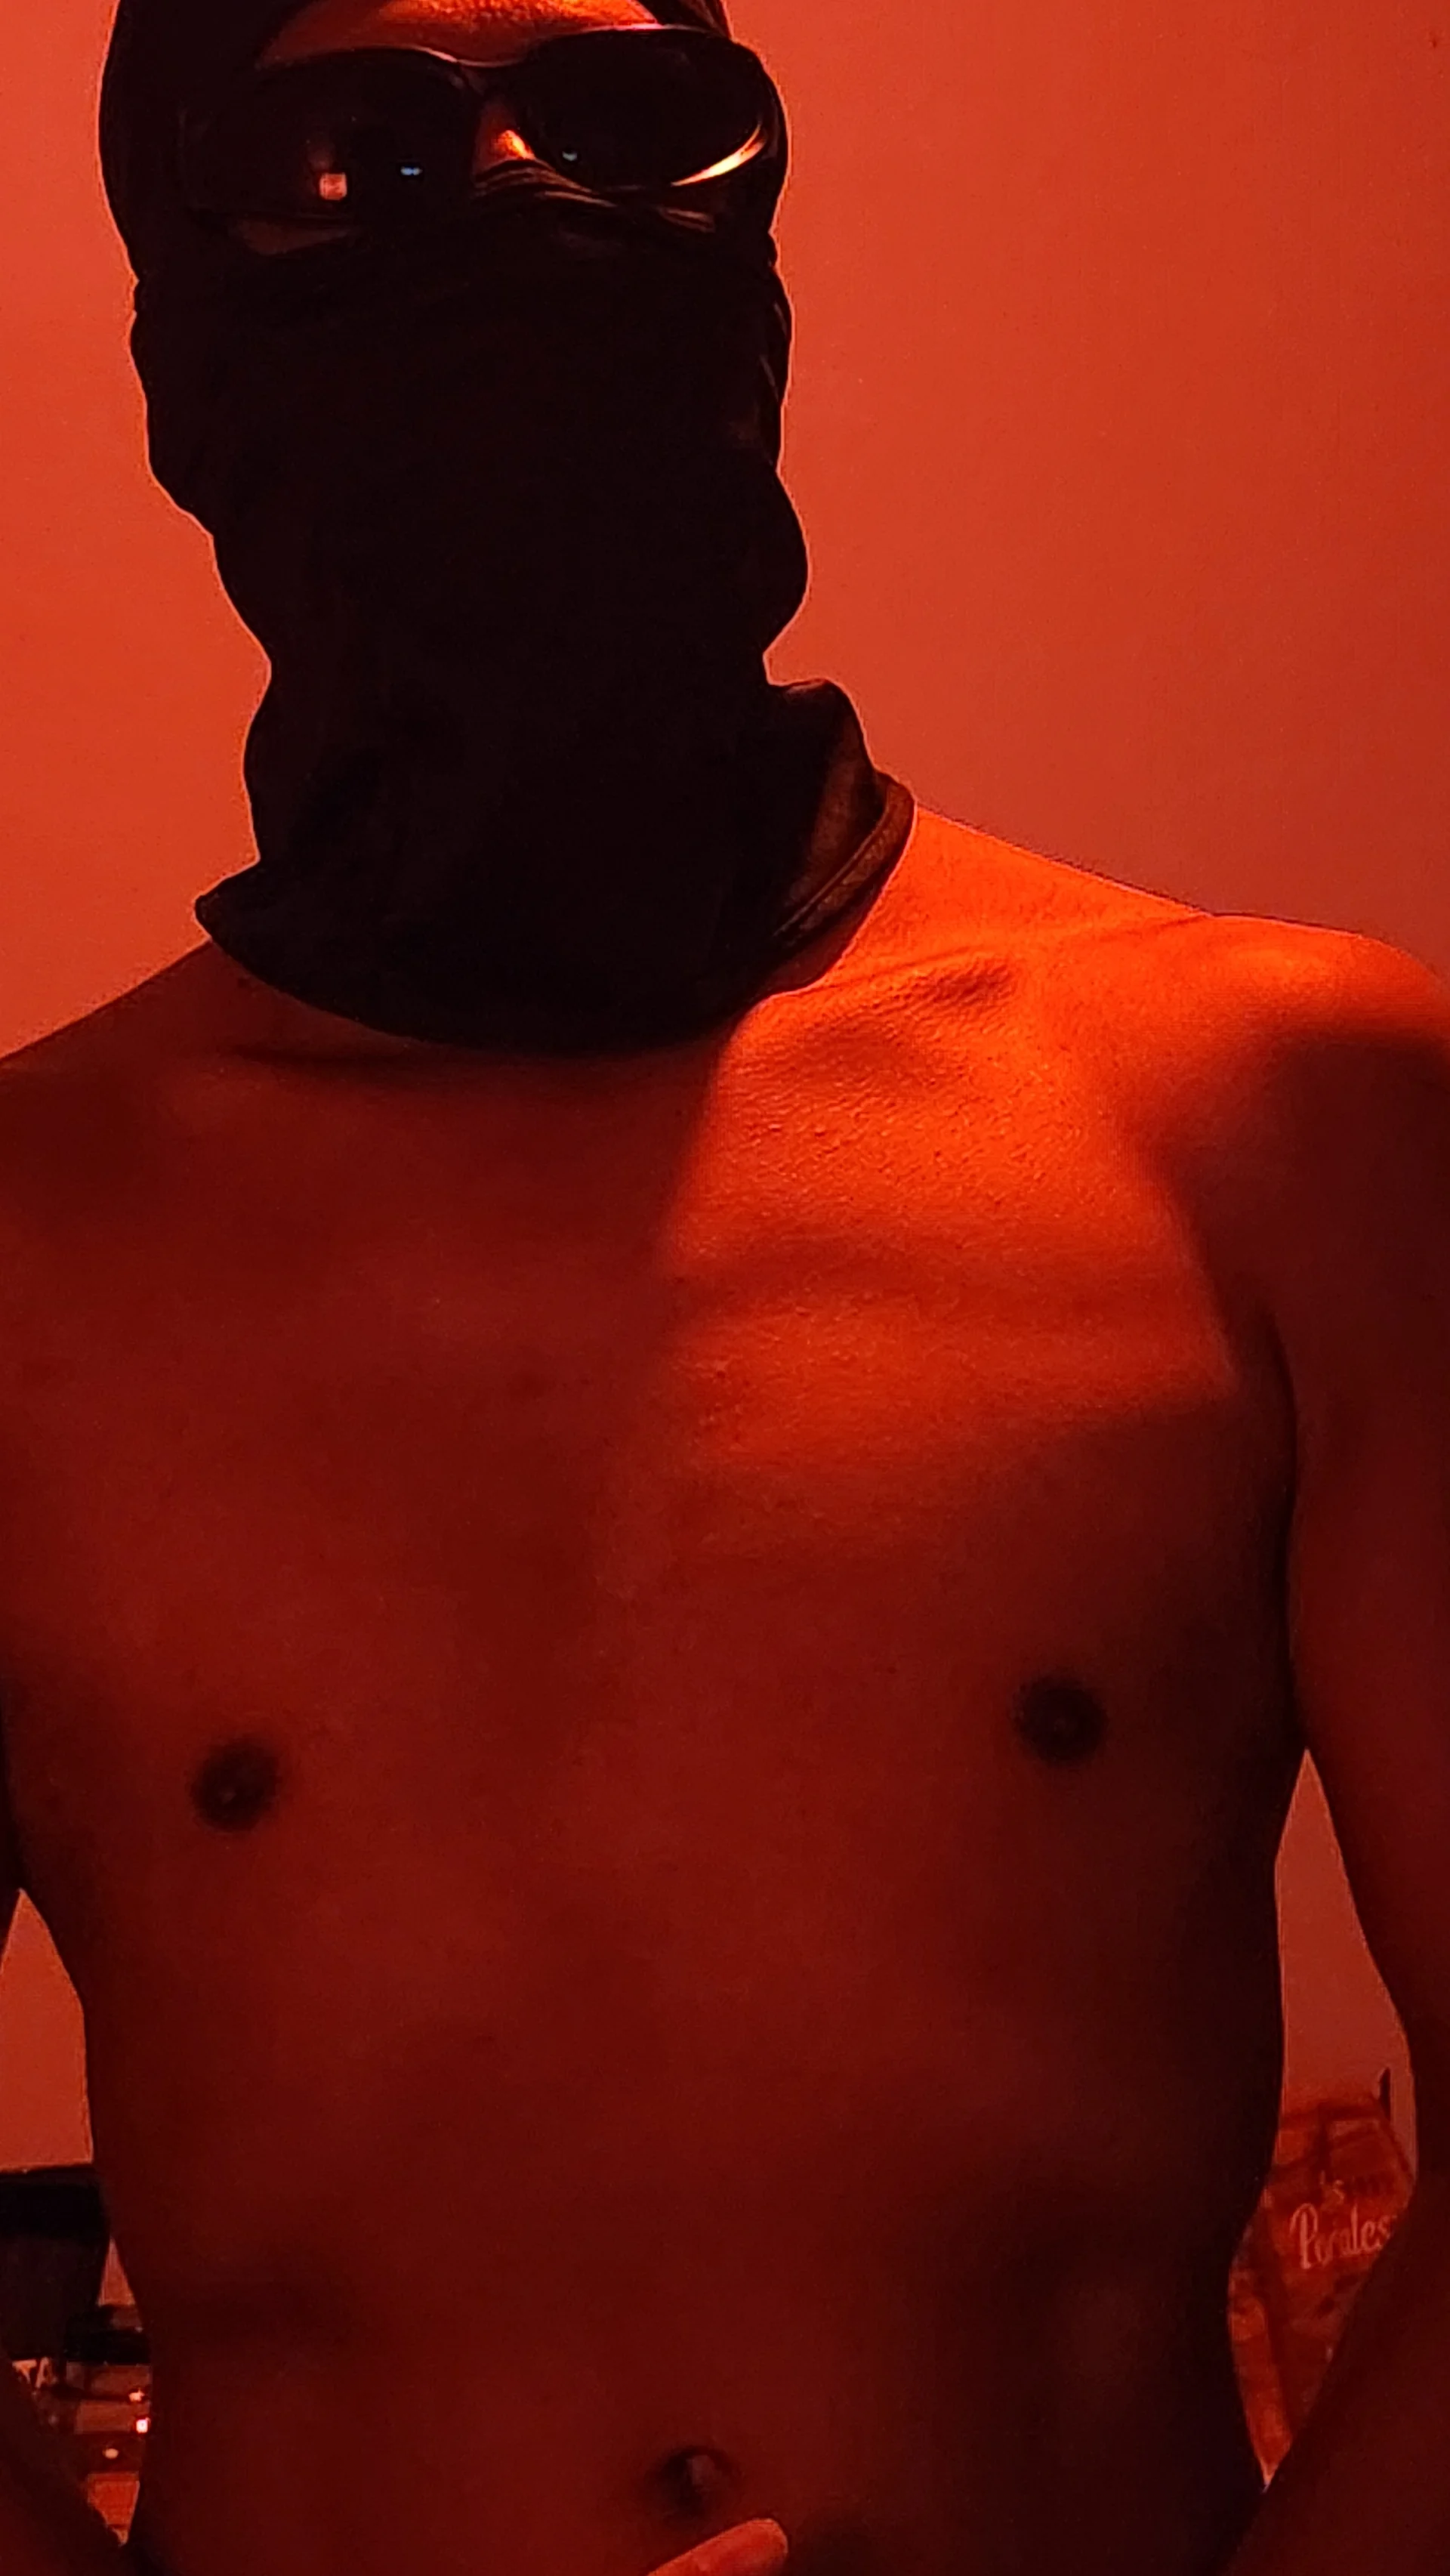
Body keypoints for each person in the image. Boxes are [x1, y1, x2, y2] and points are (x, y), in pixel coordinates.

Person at [3, 0, 1450, 2570]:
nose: (526, 206)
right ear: (183, 350)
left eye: (633, 127)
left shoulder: (1284, 1117)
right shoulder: (30, 1247)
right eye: (358, 151)